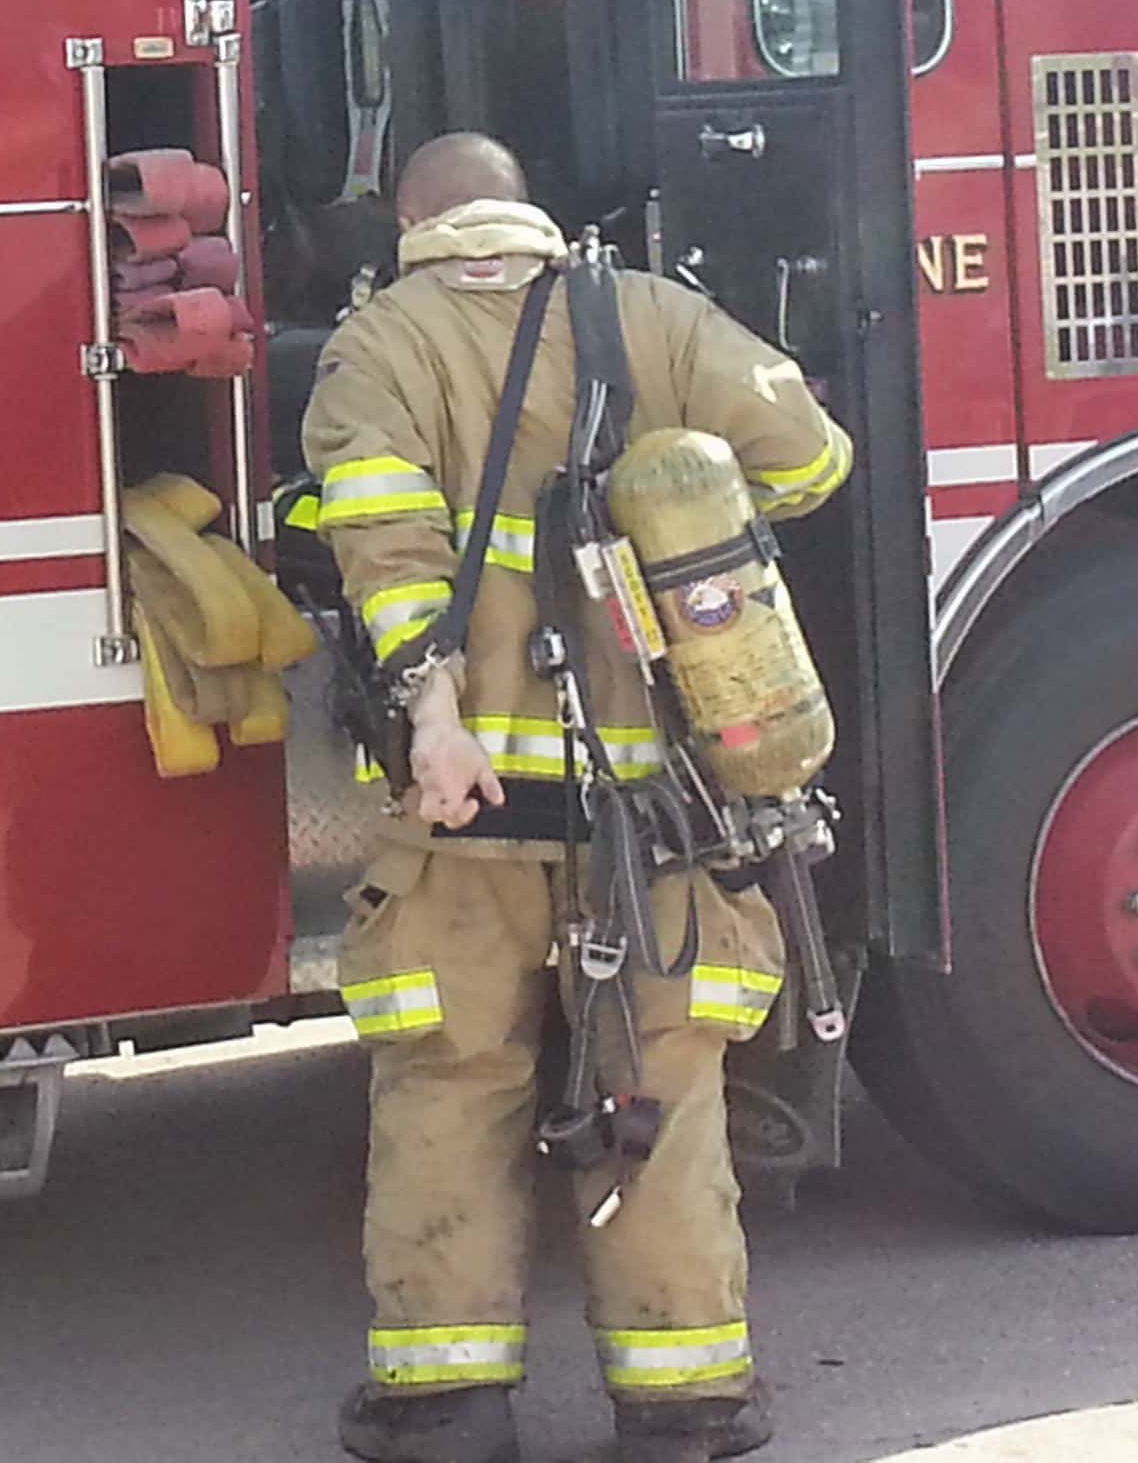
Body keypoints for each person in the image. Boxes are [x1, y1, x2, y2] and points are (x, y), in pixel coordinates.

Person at [302, 132, 852, 1463]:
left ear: (412, 221)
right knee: (661, 1085)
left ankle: (444, 1410)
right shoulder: (654, 315)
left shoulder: (382, 344)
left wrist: (436, 720)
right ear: (524, 211)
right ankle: (686, 1403)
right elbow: (812, 462)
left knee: (451, 1082)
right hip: (658, 802)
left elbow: (383, 543)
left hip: (470, 808)